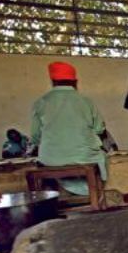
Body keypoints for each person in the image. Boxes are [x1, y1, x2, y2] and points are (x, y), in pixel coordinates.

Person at [30, 62, 108, 195]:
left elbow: (35, 136)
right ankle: (94, 194)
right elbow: (99, 129)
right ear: (75, 82)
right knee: (101, 156)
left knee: (48, 159)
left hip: (50, 159)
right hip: (84, 157)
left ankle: (56, 197)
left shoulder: (41, 102)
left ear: (53, 81)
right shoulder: (85, 101)